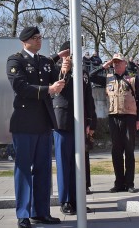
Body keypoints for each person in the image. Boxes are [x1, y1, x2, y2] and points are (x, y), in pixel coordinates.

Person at [7, 26, 65, 228]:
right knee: (23, 169)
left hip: (43, 122)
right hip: (24, 122)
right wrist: (48, 89)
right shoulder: (16, 60)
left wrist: (66, 69)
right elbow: (20, 87)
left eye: (40, 37)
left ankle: (41, 211)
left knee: (43, 170)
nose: (39, 40)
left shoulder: (45, 62)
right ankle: (23, 213)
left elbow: (58, 80)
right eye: (35, 38)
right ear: (25, 41)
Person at [50, 40, 96, 216]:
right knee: (64, 163)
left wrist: (91, 122)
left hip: (80, 122)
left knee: (79, 164)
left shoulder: (83, 72)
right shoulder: (55, 69)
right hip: (63, 121)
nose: (72, 56)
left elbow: (88, 98)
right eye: (69, 53)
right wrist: (64, 71)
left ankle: (78, 200)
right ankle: (66, 200)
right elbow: (58, 90)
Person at [90, 53, 139, 193]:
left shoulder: (133, 79)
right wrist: (104, 66)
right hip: (114, 118)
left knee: (129, 150)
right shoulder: (108, 79)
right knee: (116, 151)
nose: (116, 65)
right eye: (114, 63)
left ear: (125, 64)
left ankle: (130, 183)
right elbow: (90, 76)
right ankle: (119, 183)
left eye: (118, 62)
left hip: (129, 117)